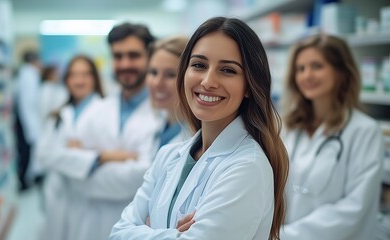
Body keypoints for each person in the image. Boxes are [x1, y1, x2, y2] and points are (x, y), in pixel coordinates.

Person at [110, 17, 289, 240]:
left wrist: (149, 229)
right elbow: (117, 232)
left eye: (227, 70)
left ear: (249, 86)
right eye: (199, 65)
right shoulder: (168, 156)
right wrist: (173, 234)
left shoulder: (246, 167)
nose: (207, 81)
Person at [36, 22, 162, 240]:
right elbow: (65, 162)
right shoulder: (99, 110)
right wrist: (111, 158)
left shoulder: (161, 115)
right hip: (87, 223)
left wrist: (86, 166)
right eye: (118, 56)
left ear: (150, 57)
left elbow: (141, 176)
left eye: (133, 55)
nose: (125, 64)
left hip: (136, 224)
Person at [280, 34, 384, 240]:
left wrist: (286, 235)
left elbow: (354, 206)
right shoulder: (290, 127)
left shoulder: (364, 130)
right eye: (300, 69)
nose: (307, 75)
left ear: (341, 72)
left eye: (317, 66)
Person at [35, 55, 105, 239]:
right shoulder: (57, 116)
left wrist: (66, 153)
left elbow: (109, 154)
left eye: (85, 75)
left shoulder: (107, 111)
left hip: (90, 195)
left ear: (94, 79)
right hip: (57, 193)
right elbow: (43, 154)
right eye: (73, 75)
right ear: (67, 80)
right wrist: (85, 155)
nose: (79, 80)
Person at [146, 36, 190, 151]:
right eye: (153, 72)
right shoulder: (161, 125)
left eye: (170, 74)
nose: (157, 83)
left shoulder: (196, 136)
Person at [14, 50, 41, 191]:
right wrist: (32, 129)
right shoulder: (29, 76)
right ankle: (23, 182)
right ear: (34, 60)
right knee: (25, 152)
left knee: (26, 152)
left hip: (25, 121)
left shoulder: (27, 74)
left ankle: (25, 179)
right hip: (26, 122)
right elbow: (27, 104)